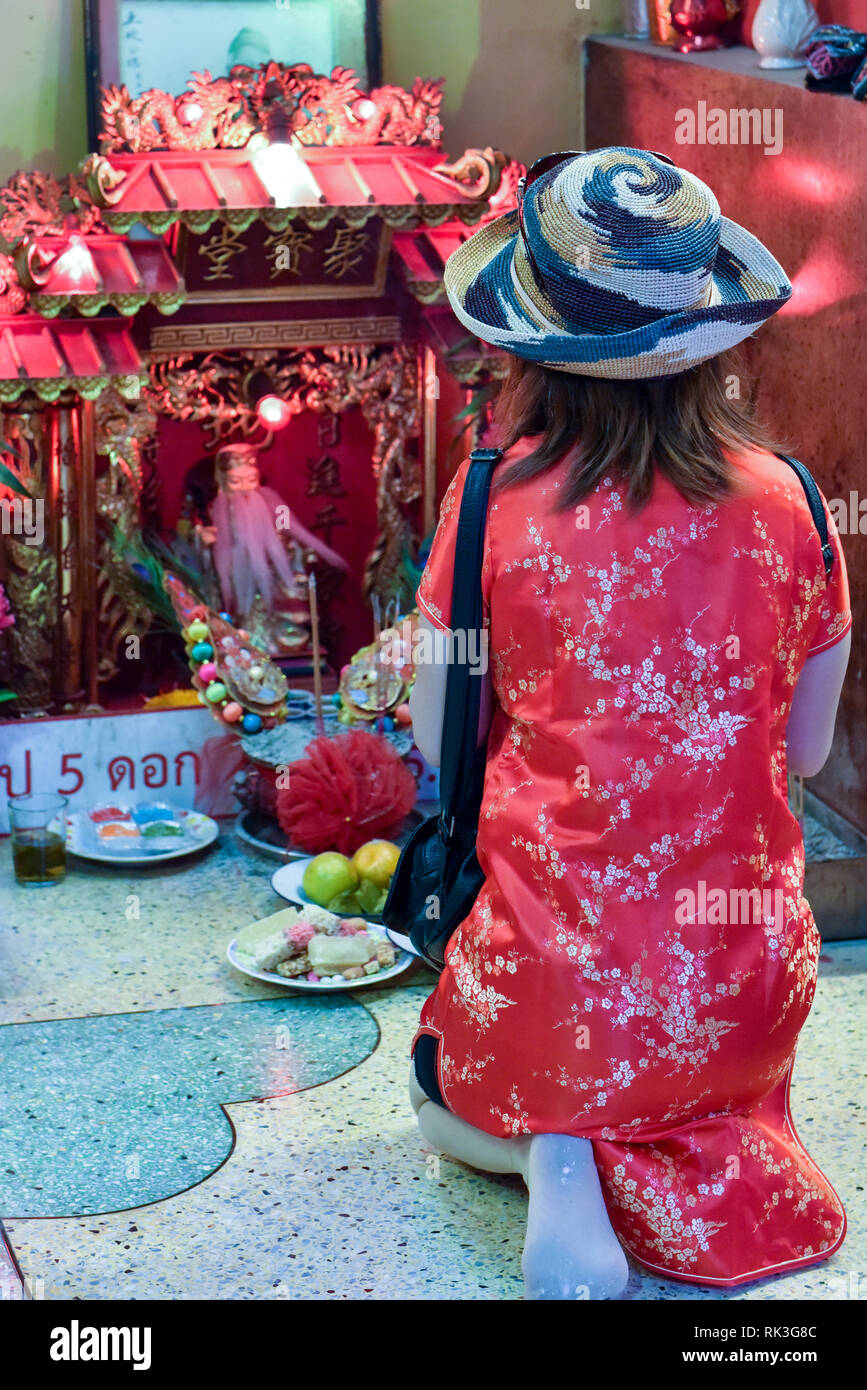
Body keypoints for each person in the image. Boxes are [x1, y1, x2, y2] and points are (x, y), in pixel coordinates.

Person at [407, 148, 851, 1300]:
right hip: (738, 996)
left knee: (428, 1085)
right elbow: (801, 755)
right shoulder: (795, 505)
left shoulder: (491, 502)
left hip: (553, 992)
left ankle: (557, 1153)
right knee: (704, 1089)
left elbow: (435, 730)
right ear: (706, 337)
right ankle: (651, 1140)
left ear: (528, 338)